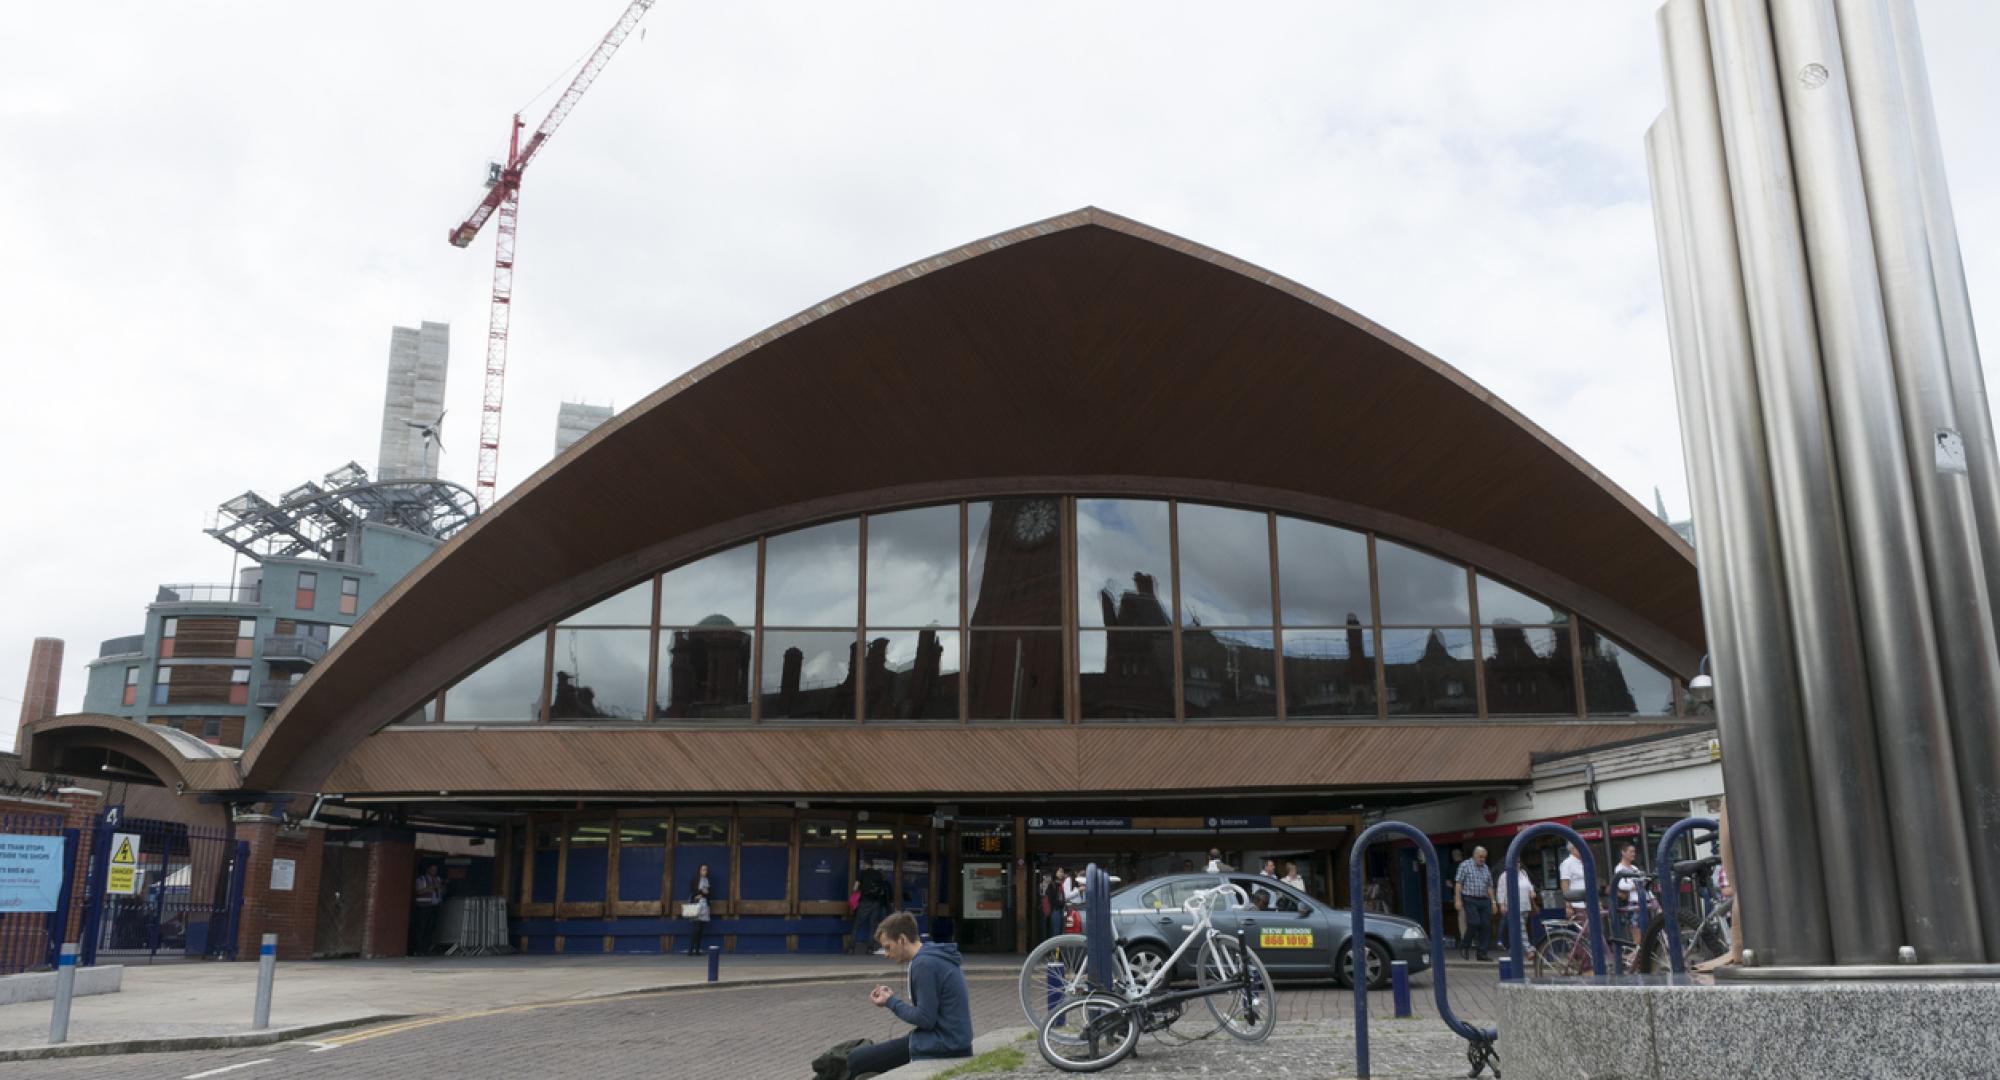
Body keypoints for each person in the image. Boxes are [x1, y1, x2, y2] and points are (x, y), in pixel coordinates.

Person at [844, 912, 973, 1076]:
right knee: (862, 1059)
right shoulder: (931, 956)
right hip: (953, 1040)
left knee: (855, 1059)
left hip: (945, 1044)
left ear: (902, 940)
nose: (886, 954)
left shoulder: (923, 964)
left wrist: (891, 1002)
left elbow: (925, 1019)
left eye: (888, 947)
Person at [1454, 845, 1494, 962]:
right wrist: (1458, 900)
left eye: (1484, 858)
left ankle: (1482, 954)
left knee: (1486, 926)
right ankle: (1465, 945)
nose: (1483, 859)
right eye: (1481, 857)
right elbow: (1458, 883)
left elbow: (1490, 886)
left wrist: (1494, 901)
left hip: (1484, 900)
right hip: (1470, 898)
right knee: (1474, 923)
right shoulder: (1465, 865)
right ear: (1475, 855)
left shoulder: (1486, 868)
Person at [1495, 862, 1538, 952]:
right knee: (1521, 928)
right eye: (1516, 862)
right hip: (1513, 906)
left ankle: (1514, 948)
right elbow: (1501, 890)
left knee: (1518, 929)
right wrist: (1502, 904)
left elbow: (1529, 885)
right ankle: (1527, 948)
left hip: (1526, 905)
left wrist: (1532, 891)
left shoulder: (1523, 873)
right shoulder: (1505, 875)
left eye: (1519, 862)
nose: (1518, 864)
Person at [1612, 843, 1649, 948]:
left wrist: (1640, 883)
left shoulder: (1634, 867)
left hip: (1643, 899)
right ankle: (1635, 957)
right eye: (1631, 851)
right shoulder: (1619, 868)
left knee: (1643, 930)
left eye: (1634, 851)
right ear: (1623, 852)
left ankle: (1637, 956)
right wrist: (1638, 885)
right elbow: (1622, 885)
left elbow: (1642, 881)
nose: (1634, 854)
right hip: (1633, 902)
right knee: (1636, 931)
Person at [411, 864, 444, 955]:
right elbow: (418, 891)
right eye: (432, 869)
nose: (434, 871)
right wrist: (432, 888)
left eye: (436, 869)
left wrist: (441, 888)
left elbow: (441, 891)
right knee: (421, 928)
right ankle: (418, 949)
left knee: (431, 928)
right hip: (423, 906)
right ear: (428, 869)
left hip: (435, 906)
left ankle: (426, 949)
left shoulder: (438, 879)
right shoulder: (421, 880)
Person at [685, 864, 714, 955]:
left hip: (704, 905)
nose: (705, 871)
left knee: (701, 929)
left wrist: (705, 893)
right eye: (703, 870)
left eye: (706, 870)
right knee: (696, 928)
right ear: (699, 871)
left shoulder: (707, 881)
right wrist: (700, 893)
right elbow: (692, 892)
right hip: (697, 905)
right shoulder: (695, 880)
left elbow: (709, 894)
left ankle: (697, 950)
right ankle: (690, 950)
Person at [1043, 867, 1069, 940]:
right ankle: (1055, 951)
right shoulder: (1052, 885)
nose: (1061, 873)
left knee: (1060, 933)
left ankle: (1058, 951)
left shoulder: (1063, 884)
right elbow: (1052, 900)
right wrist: (1063, 903)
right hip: (1055, 910)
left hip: (1062, 910)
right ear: (1055, 873)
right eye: (1059, 872)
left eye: (1062, 872)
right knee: (1056, 932)